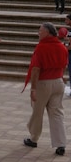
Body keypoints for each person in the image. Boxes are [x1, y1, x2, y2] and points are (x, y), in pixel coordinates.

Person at [22, 22, 68, 155]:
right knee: (57, 113)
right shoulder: (62, 47)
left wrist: (33, 89)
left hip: (43, 83)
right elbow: (64, 65)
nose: (38, 33)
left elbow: (36, 69)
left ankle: (34, 138)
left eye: (40, 31)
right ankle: (60, 144)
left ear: (47, 33)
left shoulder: (41, 47)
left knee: (38, 111)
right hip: (58, 81)